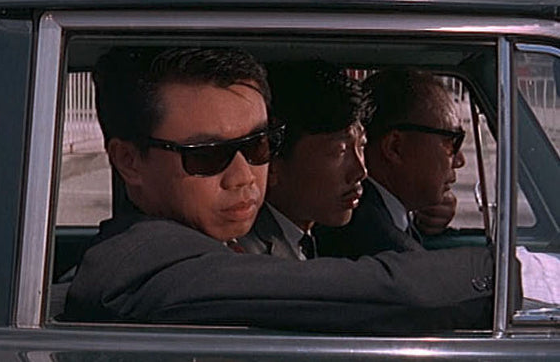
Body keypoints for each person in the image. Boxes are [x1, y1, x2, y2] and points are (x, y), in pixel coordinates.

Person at [63, 48, 502, 333]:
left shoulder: (217, 237)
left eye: (259, 145)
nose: (245, 176)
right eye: (208, 154)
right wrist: (512, 277)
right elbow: (366, 292)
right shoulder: (139, 264)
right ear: (129, 161)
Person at [316, 70, 464, 258]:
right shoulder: (387, 250)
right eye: (451, 141)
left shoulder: (371, 218)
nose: (459, 160)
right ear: (395, 147)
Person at [238, 61, 369, 260]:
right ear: (273, 165)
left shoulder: (333, 236)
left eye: (361, 146)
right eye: (340, 151)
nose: (360, 171)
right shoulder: (250, 259)